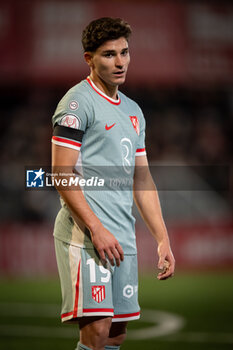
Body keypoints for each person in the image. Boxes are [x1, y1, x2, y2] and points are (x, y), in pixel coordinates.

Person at [51, 17, 175, 350]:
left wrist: (162, 239)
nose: (120, 62)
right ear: (89, 58)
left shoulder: (134, 111)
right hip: (87, 236)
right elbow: (60, 174)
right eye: (108, 55)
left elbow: (142, 178)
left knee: (116, 333)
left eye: (124, 52)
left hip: (122, 239)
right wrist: (96, 228)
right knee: (97, 330)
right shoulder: (77, 104)